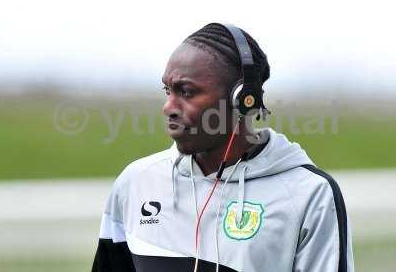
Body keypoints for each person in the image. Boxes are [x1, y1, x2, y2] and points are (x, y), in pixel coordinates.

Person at [91, 23, 354, 272]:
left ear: (241, 100)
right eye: (167, 90)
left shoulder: (310, 194)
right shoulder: (136, 182)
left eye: (186, 92)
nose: (168, 107)